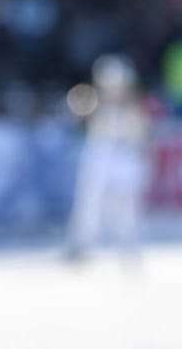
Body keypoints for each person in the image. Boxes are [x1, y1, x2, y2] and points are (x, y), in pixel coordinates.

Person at [64, 54, 152, 262]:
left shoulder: (135, 107)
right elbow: (76, 117)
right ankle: (81, 245)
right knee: (89, 201)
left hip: (124, 156)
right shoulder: (93, 101)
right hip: (101, 153)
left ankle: (129, 247)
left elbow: (143, 135)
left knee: (126, 206)